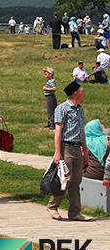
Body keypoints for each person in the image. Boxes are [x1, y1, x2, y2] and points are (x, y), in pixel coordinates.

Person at [47, 81, 93, 221]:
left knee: (76, 180)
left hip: (77, 148)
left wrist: (85, 150)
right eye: (82, 91)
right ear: (75, 93)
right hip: (66, 147)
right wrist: (57, 152)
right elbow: (58, 131)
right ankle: (52, 206)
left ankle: (74, 212)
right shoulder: (62, 108)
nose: (84, 93)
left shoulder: (80, 109)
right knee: (64, 179)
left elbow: (82, 131)